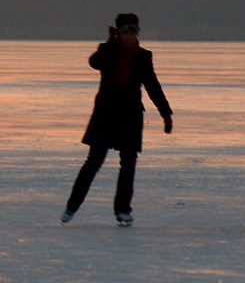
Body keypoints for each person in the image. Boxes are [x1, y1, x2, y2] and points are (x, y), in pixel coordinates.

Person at [61, 13, 173, 227]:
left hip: (131, 116)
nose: (130, 37)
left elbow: (152, 85)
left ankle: (123, 210)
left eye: (133, 33)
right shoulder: (108, 52)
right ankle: (72, 206)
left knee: (128, 164)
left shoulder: (143, 56)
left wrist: (165, 113)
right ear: (119, 34)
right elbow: (94, 62)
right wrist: (110, 43)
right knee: (93, 162)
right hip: (105, 115)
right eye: (126, 33)